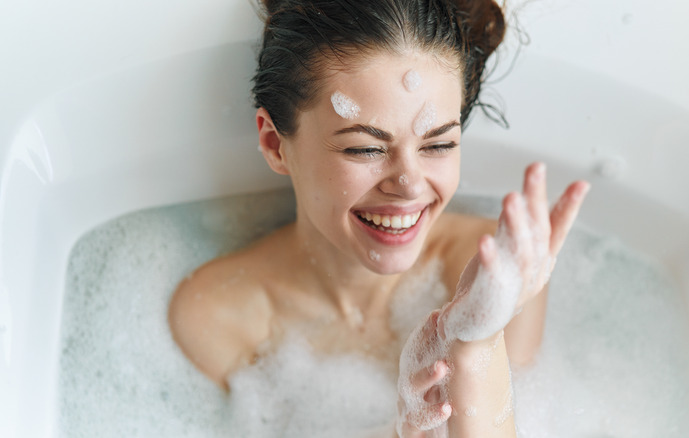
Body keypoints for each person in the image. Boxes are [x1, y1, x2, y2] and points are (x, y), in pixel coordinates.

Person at [168, 0, 589, 436]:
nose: (409, 183)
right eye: (364, 148)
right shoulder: (219, 316)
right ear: (276, 145)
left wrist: (474, 347)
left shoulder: (488, 272)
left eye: (438, 145)